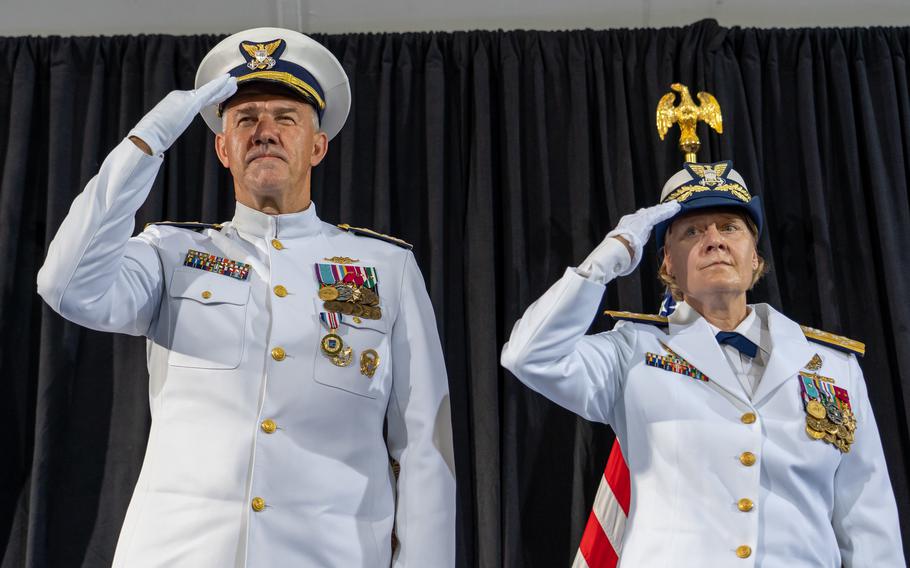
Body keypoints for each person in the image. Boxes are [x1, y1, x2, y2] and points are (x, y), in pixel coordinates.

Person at [37, 27, 455, 568]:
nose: (265, 132)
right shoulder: (170, 253)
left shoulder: (386, 268)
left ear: (318, 145)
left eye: (286, 119)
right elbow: (65, 285)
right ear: (222, 148)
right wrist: (148, 140)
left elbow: (425, 445)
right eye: (245, 120)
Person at [501, 160, 904, 566]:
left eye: (730, 227)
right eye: (692, 232)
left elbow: (867, 521)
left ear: (755, 257)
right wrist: (611, 255)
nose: (714, 240)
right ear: (667, 263)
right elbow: (529, 354)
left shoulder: (834, 367)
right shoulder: (632, 352)